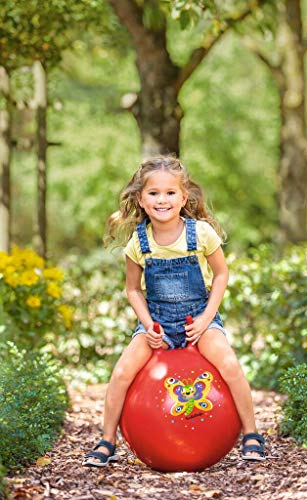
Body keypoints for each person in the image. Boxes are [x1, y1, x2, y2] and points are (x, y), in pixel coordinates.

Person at [83, 156, 265, 467]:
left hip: (200, 319)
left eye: (170, 193)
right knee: (122, 372)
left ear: (183, 197)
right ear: (141, 199)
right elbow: (133, 289)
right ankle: (107, 440)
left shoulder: (202, 234)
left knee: (230, 364)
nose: (162, 199)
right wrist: (149, 325)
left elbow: (221, 274)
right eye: (153, 193)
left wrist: (207, 319)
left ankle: (251, 434)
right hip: (157, 322)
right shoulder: (138, 243)